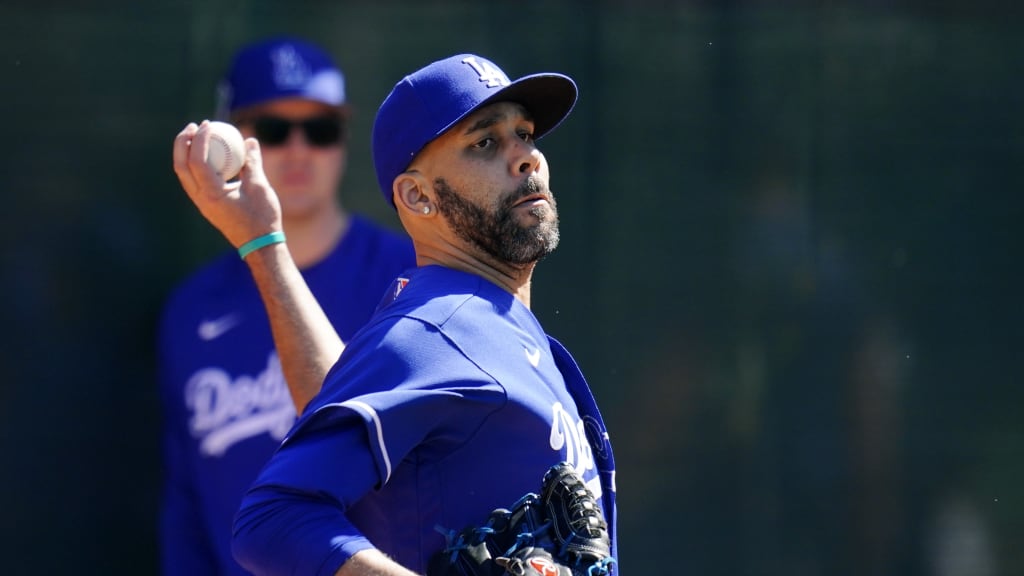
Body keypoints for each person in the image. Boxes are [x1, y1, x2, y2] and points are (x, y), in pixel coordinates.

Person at [172, 53, 618, 576]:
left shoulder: (504, 339)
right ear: (418, 195)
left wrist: (264, 244)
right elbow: (272, 518)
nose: (525, 158)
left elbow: (333, 398)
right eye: (485, 142)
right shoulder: (436, 330)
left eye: (525, 134)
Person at [159, 37, 415, 576]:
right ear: (235, 136)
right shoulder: (191, 311)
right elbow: (187, 501)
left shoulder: (409, 275)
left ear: (344, 139)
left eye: (319, 130)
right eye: (274, 130)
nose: (298, 150)